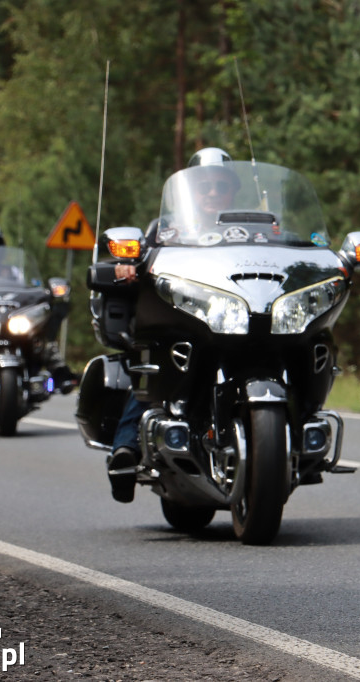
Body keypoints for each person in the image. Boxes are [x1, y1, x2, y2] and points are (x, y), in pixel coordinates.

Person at [106, 147, 237, 502]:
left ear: (232, 191)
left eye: (220, 186)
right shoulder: (164, 230)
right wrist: (127, 267)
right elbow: (139, 258)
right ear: (190, 190)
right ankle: (126, 450)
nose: (212, 193)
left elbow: (293, 250)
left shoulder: (257, 229)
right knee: (157, 367)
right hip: (183, 324)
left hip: (239, 324)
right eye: (204, 186)